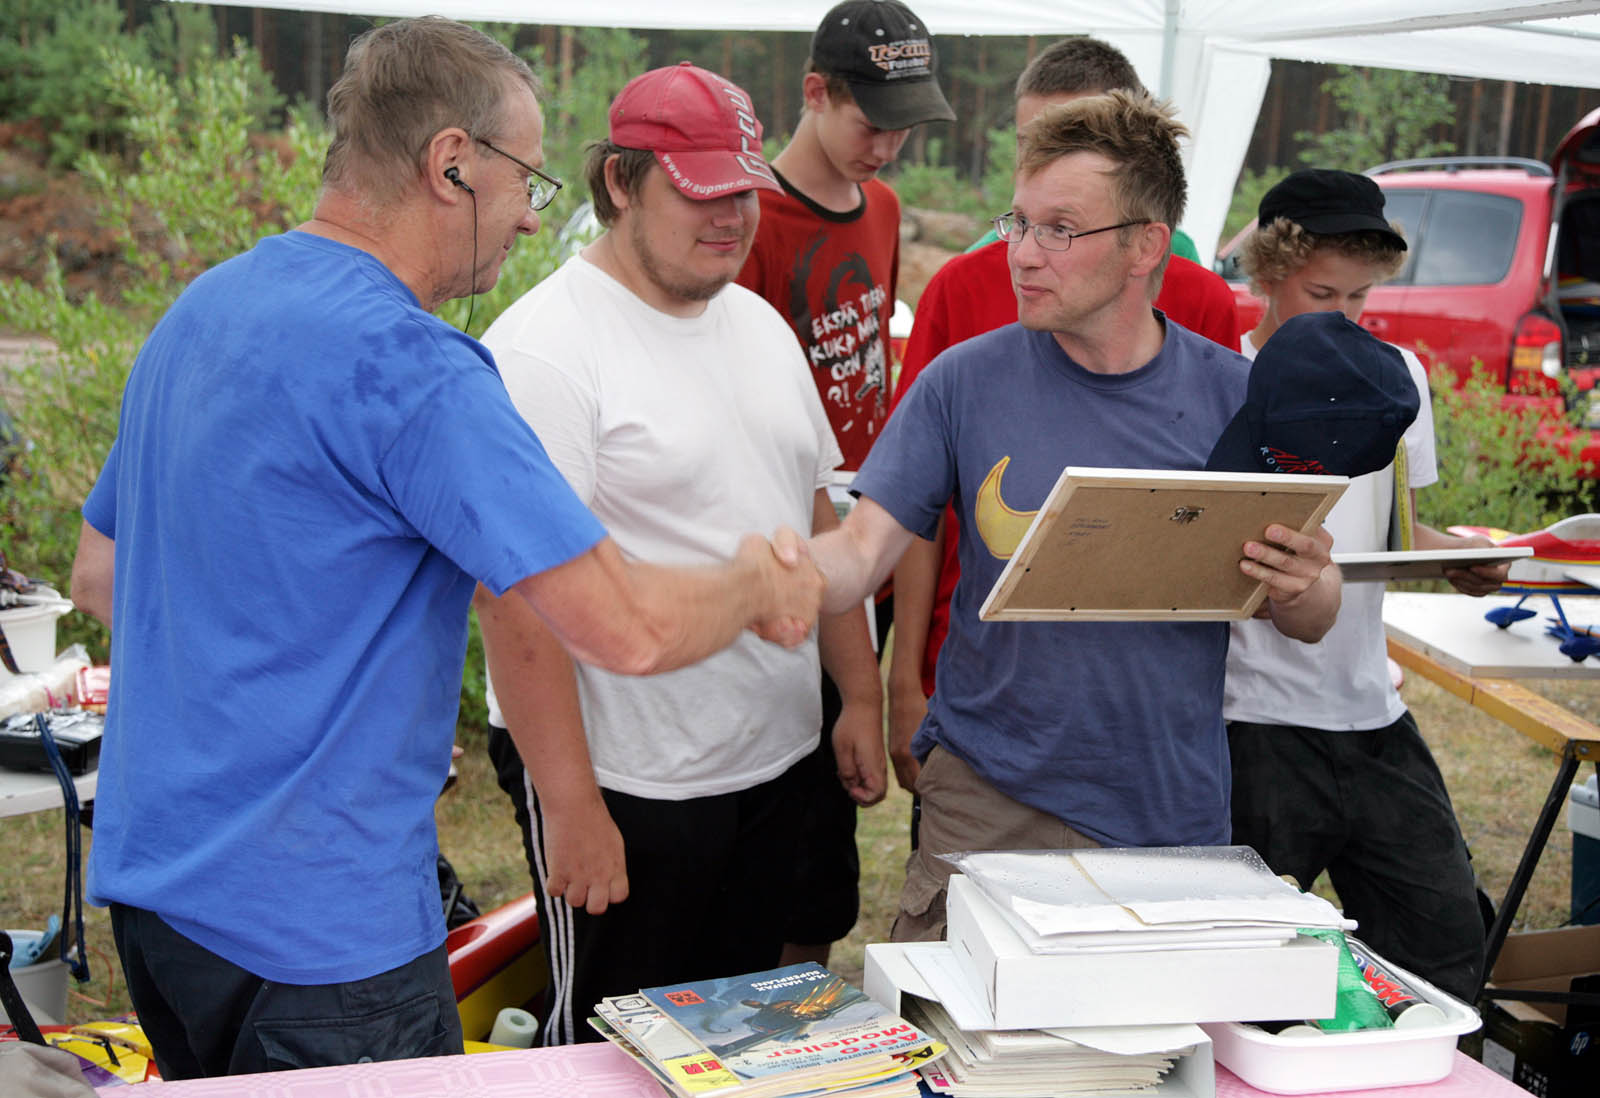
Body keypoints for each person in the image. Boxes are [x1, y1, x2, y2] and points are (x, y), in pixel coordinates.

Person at [66, 21, 821, 1081]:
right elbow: (628, 630)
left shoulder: (207, 306)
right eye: (526, 179)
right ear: (452, 162)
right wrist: (755, 583)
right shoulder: (416, 367)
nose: (532, 214)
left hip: (162, 904)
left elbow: (101, 574)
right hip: (326, 940)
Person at [807, 90, 1342, 942]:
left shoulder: (1237, 401)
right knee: (958, 1028)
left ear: (1145, 246)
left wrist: (1307, 584)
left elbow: (1311, 615)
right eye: (1019, 223)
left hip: (1167, 812)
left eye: (1059, 229)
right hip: (989, 799)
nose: (1022, 254)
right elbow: (863, 549)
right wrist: (780, 577)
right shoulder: (961, 382)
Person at [474, 62, 887, 1047]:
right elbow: (514, 602)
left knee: (744, 1034)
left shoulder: (760, 324)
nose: (731, 218)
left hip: (773, 759)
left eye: (743, 191)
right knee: (619, 1045)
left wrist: (859, 698)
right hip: (631, 778)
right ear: (621, 182)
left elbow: (815, 519)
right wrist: (571, 804)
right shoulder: (544, 349)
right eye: (702, 193)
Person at [885, 36, 1240, 794]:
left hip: (1148, 734)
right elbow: (909, 512)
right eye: (1031, 146)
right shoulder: (962, 293)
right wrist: (903, 677)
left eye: (1078, 142)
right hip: (977, 695)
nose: (1028, 250)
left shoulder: (1205, 309)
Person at [1223, 169, 1508, 1002]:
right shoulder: (1225, 375)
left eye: (1360, 297)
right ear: (1267, 273)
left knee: (1448, 951)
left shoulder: (1397, 375)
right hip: (1250, 719)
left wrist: (1457, 556)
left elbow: (1393, 531)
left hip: (1368, 709)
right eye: (1321, 294)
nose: (1343, 317)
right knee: (1243, 970)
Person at [734, 0, 953, 967]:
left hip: (868, 527)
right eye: (873, 123)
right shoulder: (748, 219)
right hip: (782, 532)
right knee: (776, 804)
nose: (890, 147)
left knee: (829, 824)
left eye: (907, 126)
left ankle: (801, 988)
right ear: (815, 92)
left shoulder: (884, 209)